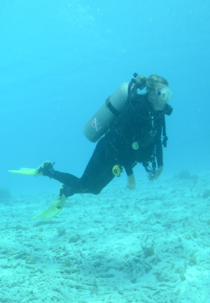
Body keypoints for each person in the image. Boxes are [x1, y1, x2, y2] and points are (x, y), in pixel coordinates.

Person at [10, 74, 173, 219]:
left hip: (120, 158)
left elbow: (158, 140)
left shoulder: (157, 113)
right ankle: (47, 170)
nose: (167, 100)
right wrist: (130, 175)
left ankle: (67, 190)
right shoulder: (138, 109)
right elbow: (123, 141)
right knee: (83, 184)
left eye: (169, 95)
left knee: (95, 189)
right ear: (153, 94)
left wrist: (160, 164)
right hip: (108, 150)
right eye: (165, 94)